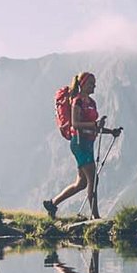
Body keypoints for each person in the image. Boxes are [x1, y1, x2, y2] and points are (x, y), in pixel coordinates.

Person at [42, 70, 121, 222]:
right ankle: (95, 216)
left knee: (81, 183)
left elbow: (93, 126)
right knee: (93, 179)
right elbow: (75, 124)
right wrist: (95, 124)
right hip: (79, 142)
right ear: (83, 84)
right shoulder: (77, 101)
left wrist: (111, 131)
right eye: (91, 83)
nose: (94, 86)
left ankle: (52, 204)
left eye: (95, 83)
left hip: (88, 142)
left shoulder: (91, 102)